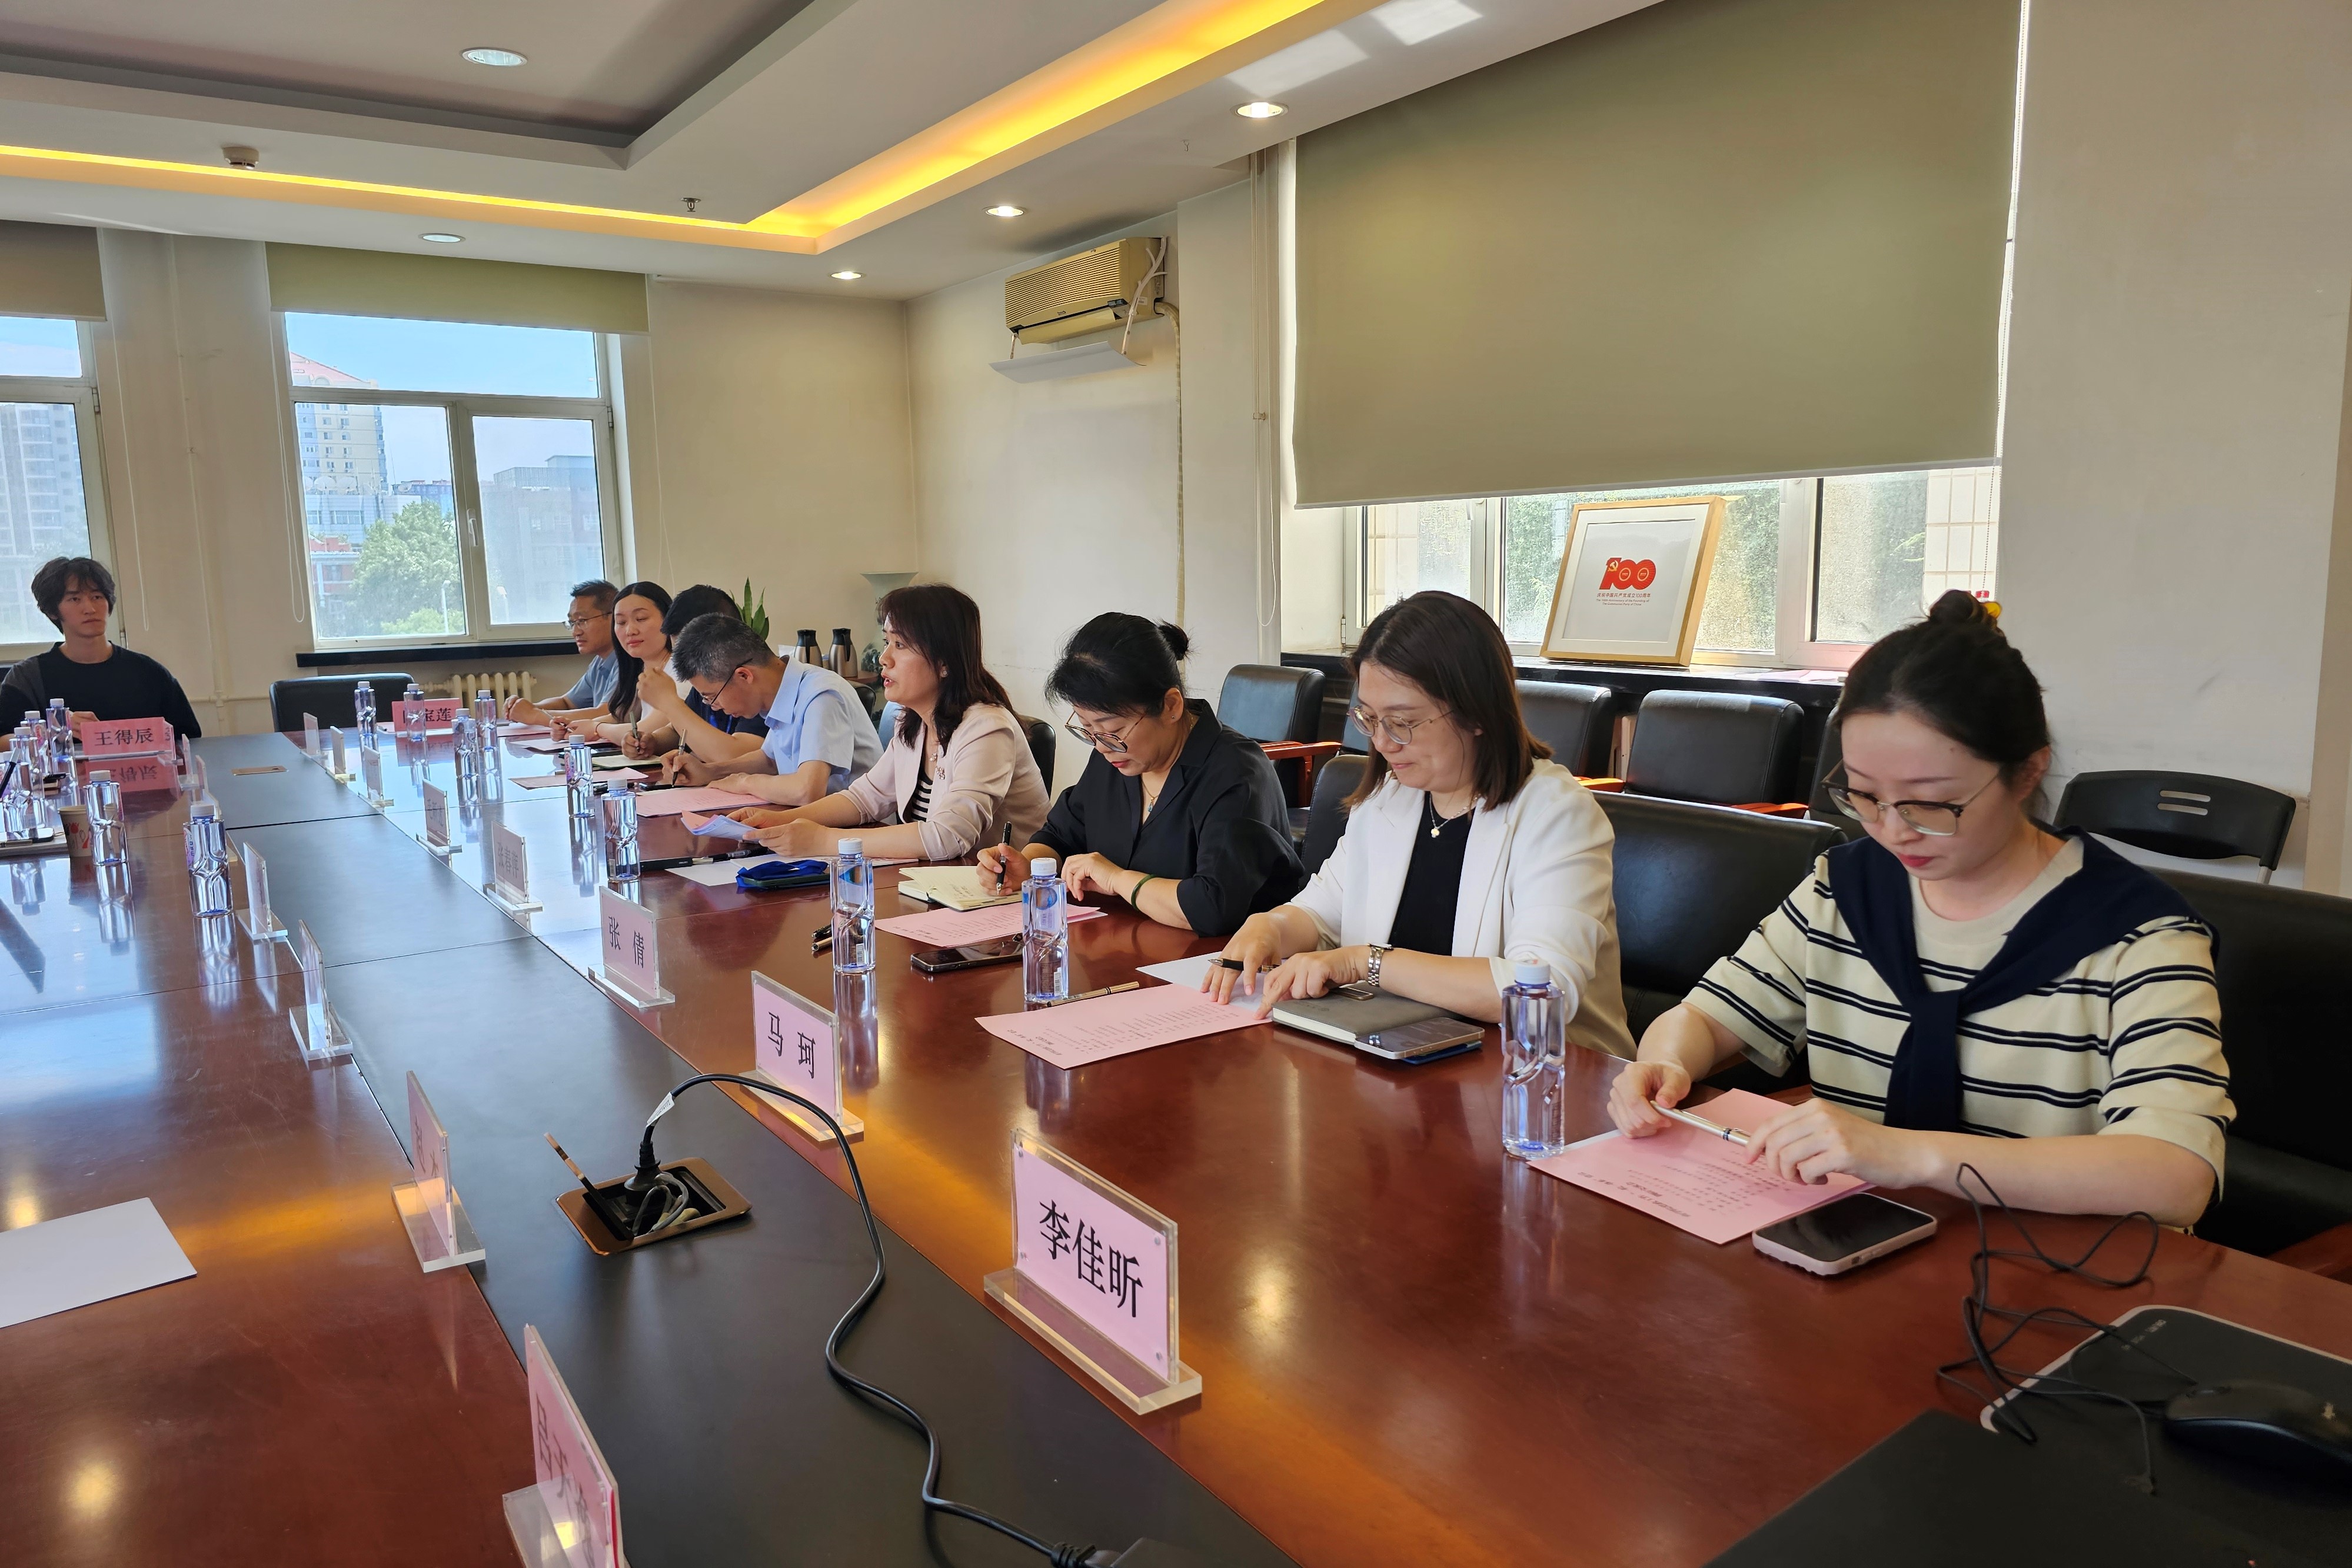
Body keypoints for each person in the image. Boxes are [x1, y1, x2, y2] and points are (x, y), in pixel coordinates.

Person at [1606, 593, 2231, 1227]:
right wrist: (1665, 1062)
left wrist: (1909, 1155)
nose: (1892, 829)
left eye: (1930, 803)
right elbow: (1708, 1017)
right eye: (1863, 795)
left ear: (2026, 772)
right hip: (1859, 1239)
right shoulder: (1845, 891)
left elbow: (2176, 1176)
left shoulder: (2138, 937)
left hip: (2050, 1265)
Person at [1203, 591, 1632, 1053]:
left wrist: (1367, 963)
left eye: (1401, 721)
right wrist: (1270, 925)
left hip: (1539, 1071)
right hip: (1406, 1052)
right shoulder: (1389, 799)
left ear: (1476, 712)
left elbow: (1540, 992)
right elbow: (1321, 912)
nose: (1382, 742)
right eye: (1369, 718)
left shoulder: (1556, 814)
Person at [977, 613, 1302, 936]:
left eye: (1113, 730)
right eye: (1087, 728)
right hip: (1127, 943)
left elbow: (1211, 907)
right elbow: (1060, 835)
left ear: (1171, 706)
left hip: (1224, 958)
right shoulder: (1117, 757)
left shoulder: (1236, 773)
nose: (1101, 746)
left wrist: (1118, 879)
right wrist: (1029, 867)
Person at [727, 583, 1049, 862]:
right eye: (887, 642)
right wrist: (780, 821)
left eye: (900, 645)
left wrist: (825, 841)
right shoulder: (914, 722)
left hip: (1007, 896)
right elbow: (864, 799)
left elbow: (950, 836)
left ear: (944, 663)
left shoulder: (987, 728)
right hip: (940, 883)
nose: (884, 658)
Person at [669, 613, 879, 805]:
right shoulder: (783, 689)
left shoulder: (822, 696)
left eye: (712, 697)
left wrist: (744, 782)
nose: (715, 707)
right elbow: (770, 760)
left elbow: (807, 791)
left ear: (744, 676)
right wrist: (709, 772)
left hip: (859, 830)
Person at [0, 556, 201, 737]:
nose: (90, 609)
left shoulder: (148, 672)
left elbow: (188, 737)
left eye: (97, 597)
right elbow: (3, 740)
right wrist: (51, 732)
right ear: (53, 611)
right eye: (75, 599)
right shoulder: (29, 678)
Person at [627, 585, 767, 774]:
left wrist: (669, 703)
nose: (684, 664)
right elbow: (679, 732)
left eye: (690, 655)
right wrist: (652, 741)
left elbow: (736, 758)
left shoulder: (754, 685)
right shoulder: (704, 680)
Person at [505, 579, 617, 727]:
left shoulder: (628, 661)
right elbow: (567, 702)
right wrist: (527, 708)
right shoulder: (600, 662)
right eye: (572, 622)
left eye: (582, 620)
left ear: (614, 618)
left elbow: (606, 714)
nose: (575, 632)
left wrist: (535, 715)